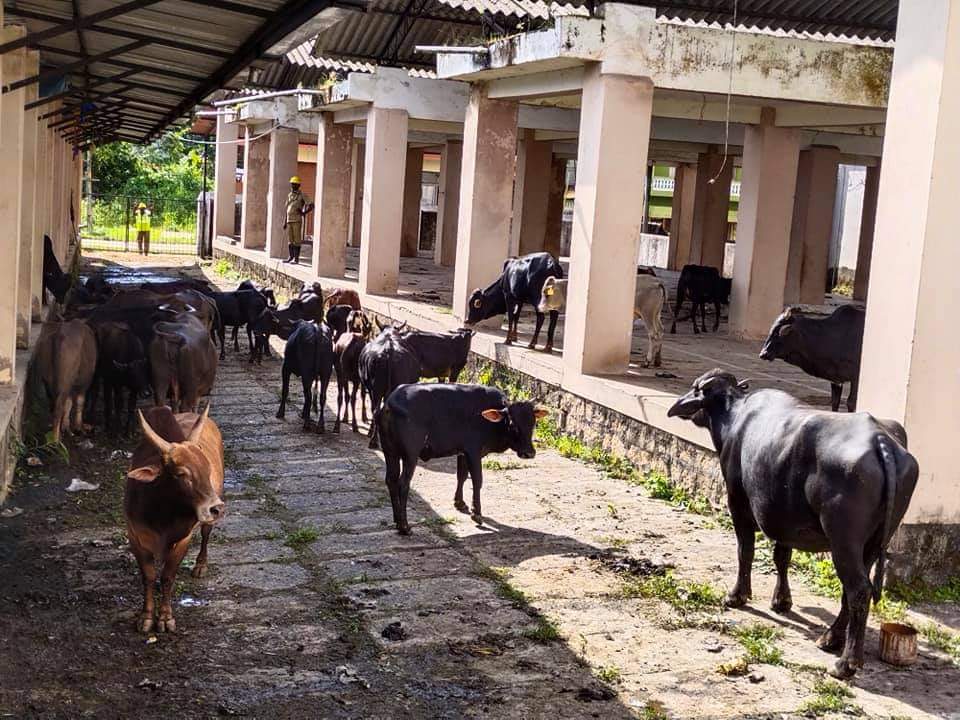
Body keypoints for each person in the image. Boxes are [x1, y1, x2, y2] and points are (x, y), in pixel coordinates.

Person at [283, 176, 313, 264]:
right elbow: (287, 209)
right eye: (292, 184)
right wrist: (284, 221)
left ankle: (296, 259)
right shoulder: (289, 195)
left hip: (296, 220)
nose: (293, 186)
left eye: (295, 184)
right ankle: (290, 257)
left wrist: (304, 213)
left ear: (298, 185)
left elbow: (311, 205)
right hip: (289, 220)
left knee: (297, 240)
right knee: (290, 240)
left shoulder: (302, 195)